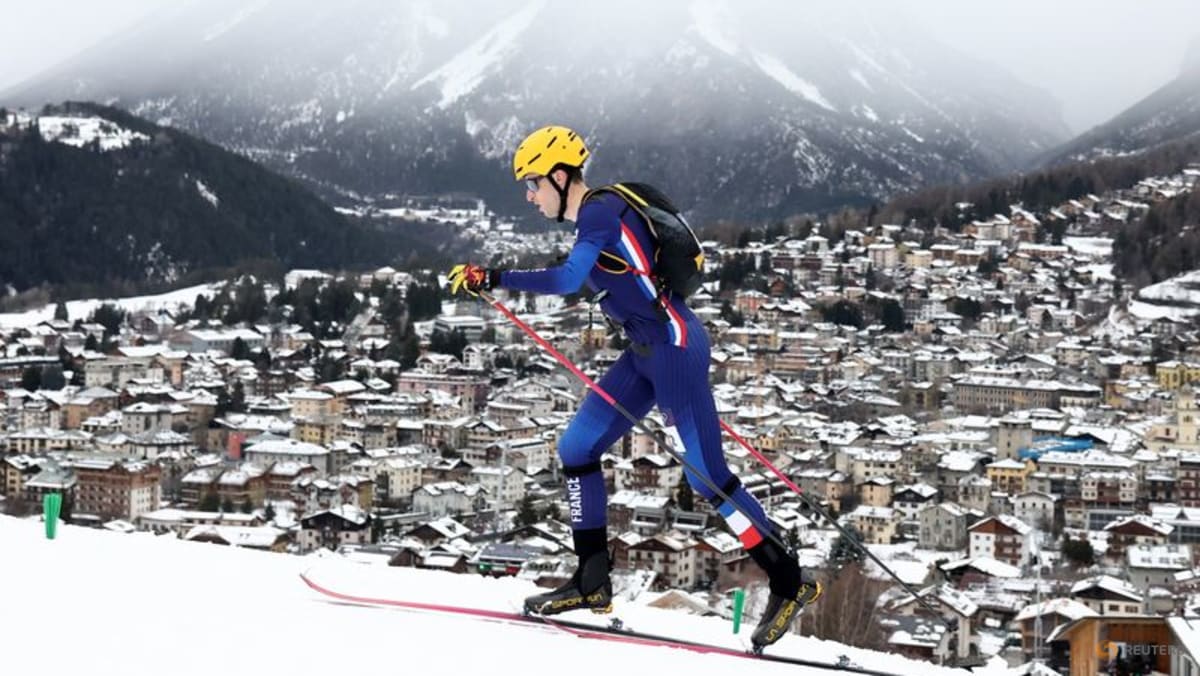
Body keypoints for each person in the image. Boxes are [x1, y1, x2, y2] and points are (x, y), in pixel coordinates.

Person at [447, 125, 820, 648]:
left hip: (673, 350)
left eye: (532, 184)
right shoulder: (598, 217)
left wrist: (492, 276)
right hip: (644, 353)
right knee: (576, 447)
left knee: (709, 479)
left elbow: (566, 280)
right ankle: (592, 580)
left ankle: (788, 581)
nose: (529, 196)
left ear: (559, 176)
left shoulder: (599, 212)